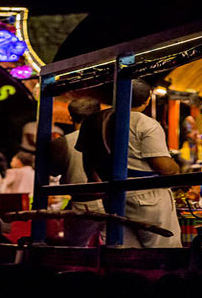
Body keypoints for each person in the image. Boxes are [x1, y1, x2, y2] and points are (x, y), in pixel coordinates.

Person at [76, 80, 182, 248]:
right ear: (147, 100)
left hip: (112, 194)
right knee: (163, 250)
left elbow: (87, 160)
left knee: (124, 251)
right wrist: (176, 168)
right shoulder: (146, 124)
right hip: (148, 197)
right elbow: (162, 166)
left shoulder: (92, 121)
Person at [49, 97, 106, 246]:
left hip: (82, 205)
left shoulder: (62, 143)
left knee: (77, 251)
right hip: (112, 202)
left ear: (70, 117)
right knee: (113, 249)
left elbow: (53, 171)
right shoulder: (112, 137)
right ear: (99, 114)